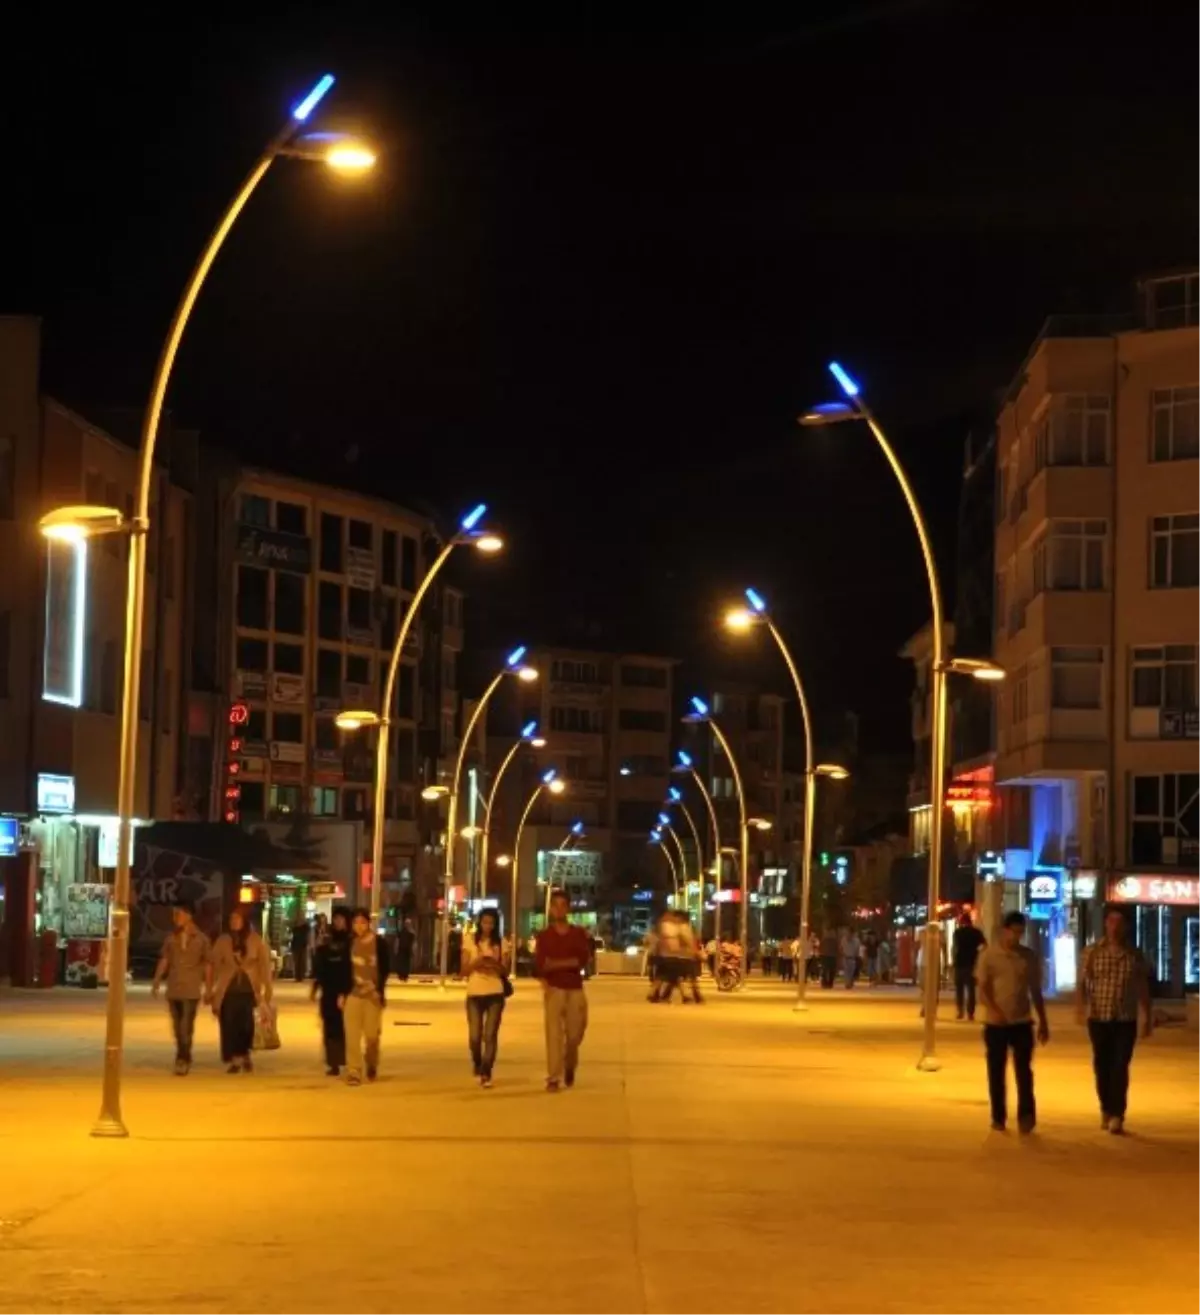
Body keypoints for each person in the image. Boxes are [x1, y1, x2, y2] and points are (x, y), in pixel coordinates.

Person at [1076, 904, 1153, 1135]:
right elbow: (1082, 983)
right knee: (1102, 1064)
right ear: (1105, 924)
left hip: (1125, 1018)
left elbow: (1142, 987)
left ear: (1127, 926)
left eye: (1120, 922)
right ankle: (1106, 1108)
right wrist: (1080, 1007)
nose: (1115, 927)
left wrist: (1146, 1015)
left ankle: (1117, 1113)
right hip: (1098, 1016)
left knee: (1120, 1065)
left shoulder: (1134, 955)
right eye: (1111, 921)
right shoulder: (1091, 952)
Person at [975, 911, 1049, 1133]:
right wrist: (994, 1010)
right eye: (1013, 931)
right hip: (996, 1025)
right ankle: (998, 1117)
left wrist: (1043, 1021)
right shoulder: (989, 956)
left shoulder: (1028, 957)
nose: (1016, 937)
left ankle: (1026, 1115)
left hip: (1022, 1022)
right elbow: (983, 988)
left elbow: (1035, 990)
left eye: (1020, 932)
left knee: (1024, 1071)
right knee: (996, 1072)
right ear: (1004, 930)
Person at [535, 889, 590, 1091]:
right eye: (555, 905)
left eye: (562, 905)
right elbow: (542, 965)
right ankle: (553, 1076)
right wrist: (566, 964)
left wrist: (555, 964)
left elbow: (581, 961)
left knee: (575, 1033)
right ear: (550, 909)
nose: (558, 909)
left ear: (568, 908)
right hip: (553, 989)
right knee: (554, 1034)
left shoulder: (577, 934)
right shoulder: (544, 936)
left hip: (575, 989)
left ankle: (569, 1062)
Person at [151, 898, 212, 1076]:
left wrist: (208, 988)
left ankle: (182, 1058)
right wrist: (156, 980)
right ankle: (184, 1052)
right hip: (174, 988)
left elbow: (208, 964)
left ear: (188, 916)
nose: (175, 918)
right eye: (174, 914)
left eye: (178, 914)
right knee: (177, 1027)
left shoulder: (201, 939)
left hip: (191, 989)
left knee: (186, 1026)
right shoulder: (171, 938)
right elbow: (165, 959)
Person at [211, 909, 273, 1074]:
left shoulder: (256, 940)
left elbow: (264, 966)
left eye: (237, 918)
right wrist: (210, 988)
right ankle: (235, 1059)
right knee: (229, 1025)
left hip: (249, 990)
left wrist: (268, 987)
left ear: (245, 920)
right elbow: (213, 964)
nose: (234, 921)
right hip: (228, 990)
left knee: (246, 1026)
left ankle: (245, 1054)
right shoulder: (223, 940)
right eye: (231, 918)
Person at [462, 907, 509, 1087]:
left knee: (490, 1035)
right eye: (484, 922)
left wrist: (493, 964)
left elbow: (505, 970)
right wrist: (477, 962)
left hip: (495, 993)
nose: (487, 926)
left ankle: (486, 1072)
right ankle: (477, 1062)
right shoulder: (469, 942)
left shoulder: (501, 943)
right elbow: (463, 970)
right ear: (479, 923)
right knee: (475, 1036)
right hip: (474, 993)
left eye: (491, 923)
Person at [345, 908, 392, 1086]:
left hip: (373, 995)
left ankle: (371, 1062)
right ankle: (354, 1070)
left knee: (372, 1036)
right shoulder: (349, 943)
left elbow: (385, 968)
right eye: (356, 922)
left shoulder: (379, 943)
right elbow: (343, 970)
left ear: (368, 924)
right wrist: (342, 993)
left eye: (363, 922)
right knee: (352, 1035)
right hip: (353, 994)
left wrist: (379, 989)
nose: (359, 926)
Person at [311, 907, 352, 1076]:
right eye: (335, 919)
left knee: (346, 1028)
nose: (338, 922)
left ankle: (347, 1059)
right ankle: (333, 1062)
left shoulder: (351, 942)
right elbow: (320, 967)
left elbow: (352, 969)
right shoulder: (326, 942)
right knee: (330, 1027)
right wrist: (316, 987)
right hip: (328, 991)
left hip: (347, 990)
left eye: (341, 919)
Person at [952, 913, 986, 1021]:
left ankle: (960, 1011)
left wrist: (952, 962)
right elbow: (985, 945)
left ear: (962, 922)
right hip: (972, 964)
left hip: (959, 963)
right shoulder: (977, 933)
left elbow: (954, 948)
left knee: (959, 990)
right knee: (971, 990)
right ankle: (970, 1013)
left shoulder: (957, 933)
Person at [291, 913, 311, 982]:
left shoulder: (305, 927)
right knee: (296, 962)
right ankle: (297, 976)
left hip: (303, 945)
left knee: (302, 961)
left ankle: (301, 976)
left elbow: (308, 932)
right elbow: (293, 935)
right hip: (295, 946)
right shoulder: (295, 928)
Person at [396, 916, 416, 982]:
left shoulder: (410, 932)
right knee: (402, 963)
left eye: (408, 923)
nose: (407, 925)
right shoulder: (404, 932)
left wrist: (413, 950)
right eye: (407, 923)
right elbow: (398, 940)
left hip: (406, 950)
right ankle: (402, 975)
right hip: (402, 950)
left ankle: (404, 975)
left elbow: (413, 942)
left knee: (405, 963)